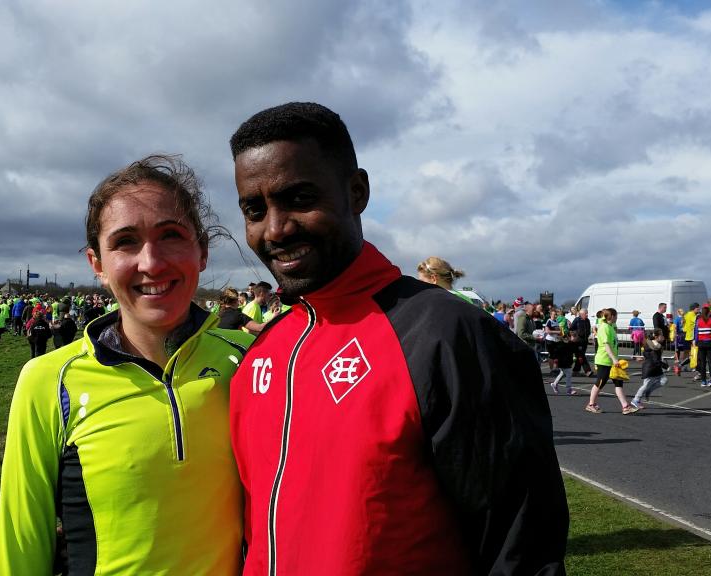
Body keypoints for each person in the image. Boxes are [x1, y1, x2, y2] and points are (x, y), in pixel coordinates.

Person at [227, 102, 567, 574]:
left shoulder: (446, 334)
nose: (276, 228)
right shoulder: (261, 354)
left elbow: (519, 548)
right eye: (255, 209)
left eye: (300, 199)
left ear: (357, 191)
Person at [0, 155, 254, 575]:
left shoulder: (250, 359)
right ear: (97, 264)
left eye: (171, 235)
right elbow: (20, 547)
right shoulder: (46, 381)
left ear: (201, 251)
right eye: (126, 241)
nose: (151, 262)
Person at [586, 308, 638, 414]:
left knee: (618, 382)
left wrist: (615, 359)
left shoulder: (610, 327)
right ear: (613, 316)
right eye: (616, 315)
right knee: (600, 382)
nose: (617, 317)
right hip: (604, 360)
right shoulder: (604, 328)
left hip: (613, 360)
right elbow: (606, 346)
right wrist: (614, 359)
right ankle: (591, 404)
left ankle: (625, 407)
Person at [631, 329, 668, 410]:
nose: (663, 337)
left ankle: (648, 390)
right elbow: (655, 360)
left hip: (655, 368)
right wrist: (666, 366)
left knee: (664, 380)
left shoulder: (655, 345)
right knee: (645, 385)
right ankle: (636, 400)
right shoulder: (654, 347)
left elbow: (647, 355)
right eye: (661, 335)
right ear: (656, 337)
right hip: (650, 368)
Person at [694, 303, 711, 387]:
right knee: (710, 362)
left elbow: (696, 331)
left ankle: (703, 381)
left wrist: (695, 340)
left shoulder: (698, 319)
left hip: (701, 343)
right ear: (709, 311)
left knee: (702, 362)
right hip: (710, 342)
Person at [571, 309, 594, 377]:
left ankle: (575, 371)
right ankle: (588, 371)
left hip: (585, 341)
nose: (587, 314)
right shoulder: (577, 320)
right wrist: (574, 336)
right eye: (585, 313)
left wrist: (588, 335)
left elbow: (589, 329)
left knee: (580, 356)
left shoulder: (587, 320)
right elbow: (571, 328)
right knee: (581, 356)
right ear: (581, 314)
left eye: (587, 313)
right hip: (578, 341)